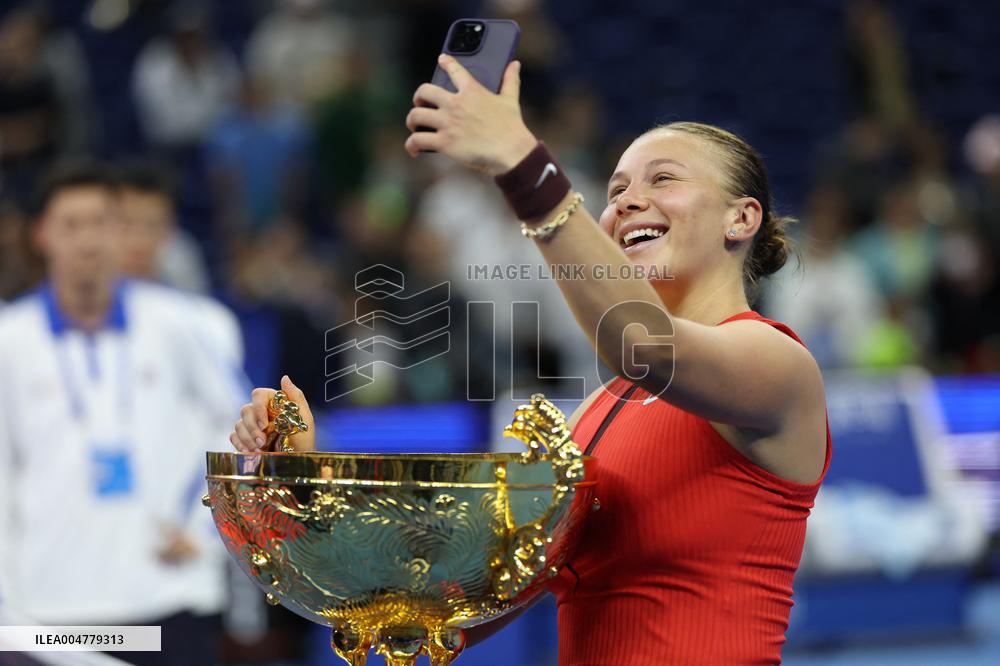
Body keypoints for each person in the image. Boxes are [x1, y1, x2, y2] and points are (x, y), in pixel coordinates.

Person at [230, 55, 831, 665]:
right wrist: (305, 485)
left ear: (742, 217)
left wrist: (522, 165)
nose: (627, 201)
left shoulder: (777, 364)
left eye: (663, 180)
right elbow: (452, 610)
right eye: (617, 188)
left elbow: (642, 343)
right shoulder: (602, 407)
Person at [0, 163, 246, 665]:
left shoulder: (186, 324)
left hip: (167, 595)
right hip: (50, 609)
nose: (88, 240)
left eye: (102, 223)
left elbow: (246, 431)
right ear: (41, 234)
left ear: (120, 231)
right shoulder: (9, 339)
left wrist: (209, 525)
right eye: (71, 225)